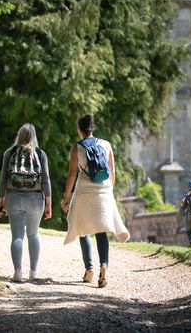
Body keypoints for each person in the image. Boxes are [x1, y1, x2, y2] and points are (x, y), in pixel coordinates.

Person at [62, 114, 129, 288]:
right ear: (92, 128)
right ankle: (104, 268)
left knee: (83, 229)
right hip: (104, 189)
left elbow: (72, 174)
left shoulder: (77, 148)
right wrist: (109, 191)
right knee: (101, 230)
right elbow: (112, 171)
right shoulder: (106, 144)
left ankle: (89, 269)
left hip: (85, 190)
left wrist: (67, 196)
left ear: (79, 129)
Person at [0, 123, 52, 282]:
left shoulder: (9, 152)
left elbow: (3, 181)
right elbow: (46, 180)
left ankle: (18, 273)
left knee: (17, 236)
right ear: (34, 136)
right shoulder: (40, 154)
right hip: (35, 199)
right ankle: (33, 272)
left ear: (19, 135)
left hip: (14, 198)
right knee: (33, 234)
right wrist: (49, 205)